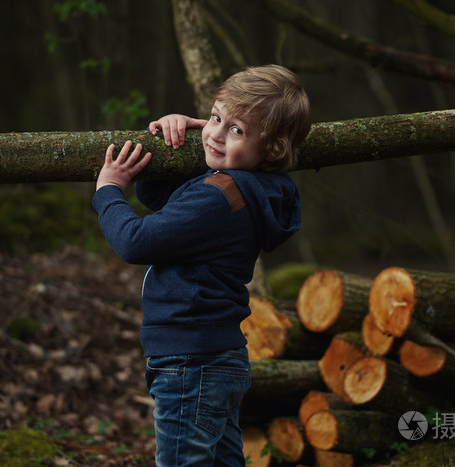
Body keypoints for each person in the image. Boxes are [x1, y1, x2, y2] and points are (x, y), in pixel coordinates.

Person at [92, 64, 311, 466]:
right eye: (215, 117)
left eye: (237, 130)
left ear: (274, 149)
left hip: (188, 363)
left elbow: (135, 241)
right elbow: (168, 206)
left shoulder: (218, 198)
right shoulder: (252, 188)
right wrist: (179, 137)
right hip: (219, 356)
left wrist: (108, 190)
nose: (216, 133)